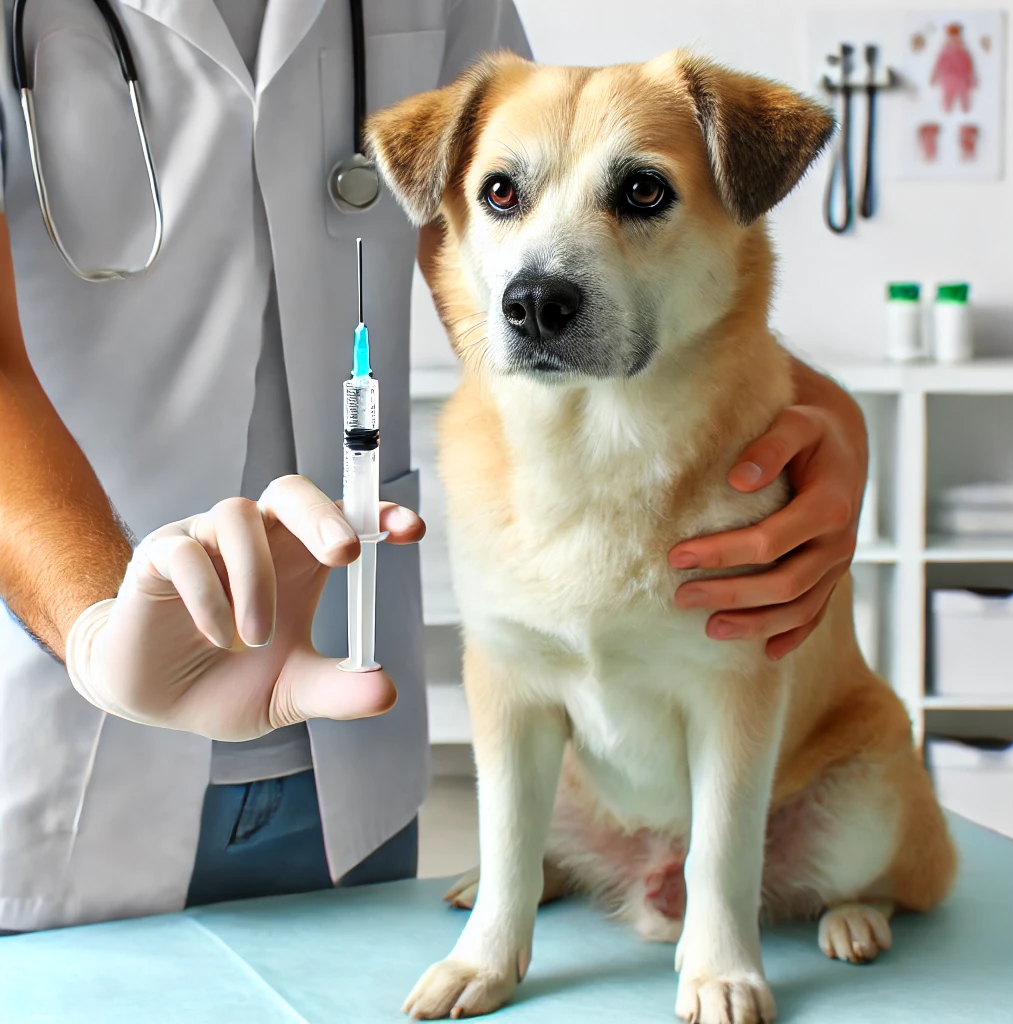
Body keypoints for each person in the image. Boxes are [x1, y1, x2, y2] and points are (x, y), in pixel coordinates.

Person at [0, 0, 867, 935]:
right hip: (65, 732)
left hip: (348, 733)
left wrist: (820, 412)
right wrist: (97, 631)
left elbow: (527, 262)